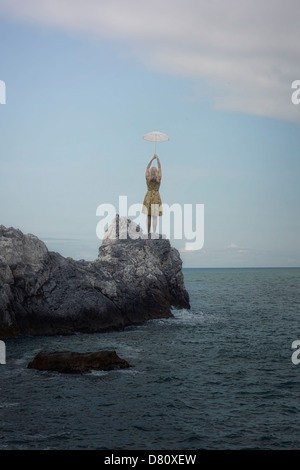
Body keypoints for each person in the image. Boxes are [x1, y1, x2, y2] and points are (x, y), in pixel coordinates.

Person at [142, 154, 163, 236]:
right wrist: (157, 159)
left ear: (150, 172)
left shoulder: (147, 177)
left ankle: (148, 232)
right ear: (157, 172)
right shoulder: (159, 178)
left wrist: (152, 158)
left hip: (148, 197)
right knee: (155, 216)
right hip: (156, 197)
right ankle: (154, 232)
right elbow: (160, 168)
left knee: (148, 216)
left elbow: (147, 168)